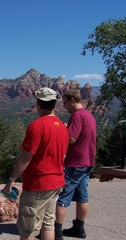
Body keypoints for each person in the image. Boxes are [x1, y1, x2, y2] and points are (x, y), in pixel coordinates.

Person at [3, 87, 69, 240]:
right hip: (57, 183)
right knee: (48, 224)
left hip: (38, 185)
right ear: (53, 104)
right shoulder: (62, 127)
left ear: (38, 104)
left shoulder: (37, 126)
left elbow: (25, 158)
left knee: (28, 231)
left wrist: (11, 180)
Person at [55, 90, 97, 240]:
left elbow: (71, 139)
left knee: (63, 197)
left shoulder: (77, 116)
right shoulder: (88, 115)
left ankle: (57, 232)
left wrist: (63, 130)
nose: (64, 106)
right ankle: (79, 228)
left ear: (72, 100)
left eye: (65, 103)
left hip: (76, 162)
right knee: (82, 197)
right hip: (87, 161)